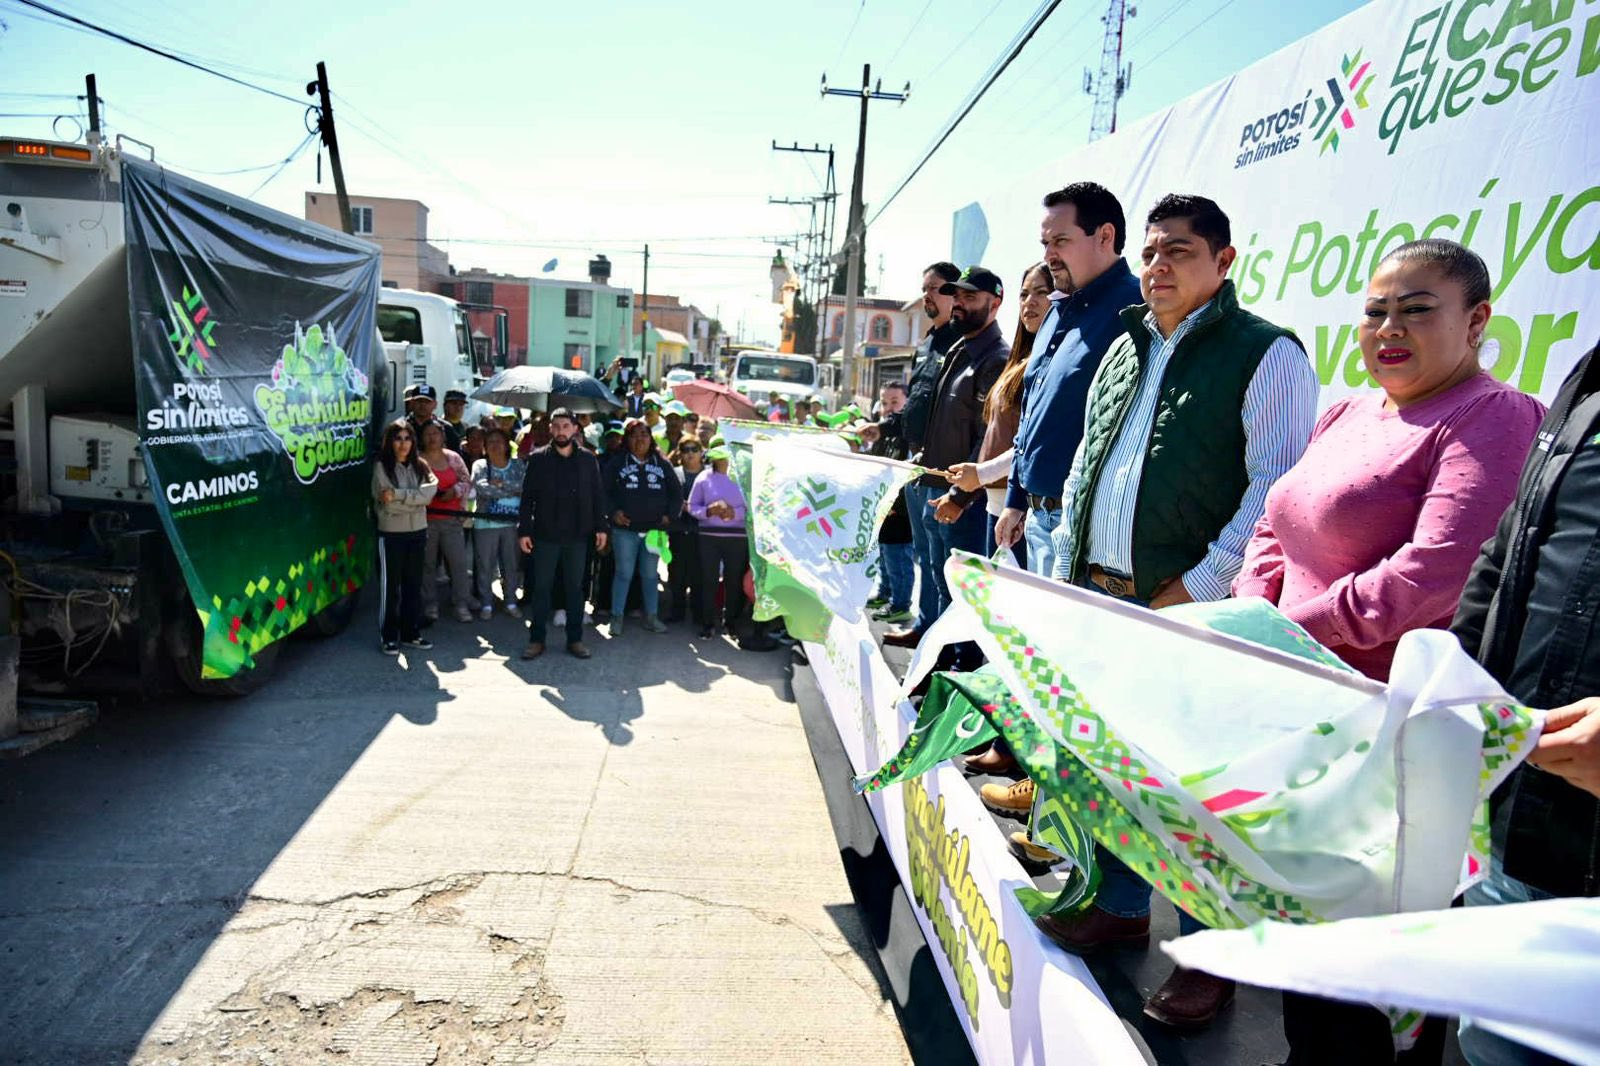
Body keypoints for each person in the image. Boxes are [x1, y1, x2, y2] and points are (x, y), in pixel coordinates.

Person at [1228, 240, 1545, 1063]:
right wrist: (1251, 618)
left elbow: (1436, 576)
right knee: (1311, 956)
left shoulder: (1492, 415)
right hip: (1303, 714)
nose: (1388, 328)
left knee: (1375, 989)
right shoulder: (1346, 412)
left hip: (1395, 738)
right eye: (1376, 311)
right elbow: (1275, 521)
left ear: (1476, 321)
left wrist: (1295, 630)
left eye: (1416, 309)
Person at [1037, 193, 1320, 1029]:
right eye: (1153, 252)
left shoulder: (1264, 352)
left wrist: (1198, 587)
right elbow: (1090, 466)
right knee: (1113, 767)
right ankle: (1120, 904)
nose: (1158, 267)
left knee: (1195, 790)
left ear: (1225, 262)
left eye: (1181, 253)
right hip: (1101, 593)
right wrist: (1065, 578)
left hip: (1191, 604)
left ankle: (1209, 955)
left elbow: (1276, 484)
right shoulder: (1127, 344)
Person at [1447, 325, 1600, 1066]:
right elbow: (1511, 548)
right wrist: (1455, 678)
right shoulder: (1590, 372)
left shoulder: (1495, 410)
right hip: (1524, 819)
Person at [995, 183, 1145, 577]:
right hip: (1037, 523)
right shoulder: (1056, 312)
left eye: (1060, 240)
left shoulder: (1139, 311)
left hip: (1091, 536)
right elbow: (1030, 417)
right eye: (1045, 242)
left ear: (1105, 236)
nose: (1048, 256)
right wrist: (1016, 497)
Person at [899, 266, 1009, 668]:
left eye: (970, 297)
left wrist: (962, 495)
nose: (960, 304)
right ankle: (936, 668)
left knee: (962, 593)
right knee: (939, 582)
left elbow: (988, 440)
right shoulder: (959, 350)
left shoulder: (995, 359)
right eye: (956, 297)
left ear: (994, 304)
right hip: (935, 486)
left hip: (965, 501)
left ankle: (958, 671)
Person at [946, 262, 1053, 568]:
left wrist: (980, 475)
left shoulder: (1043, 363)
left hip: (1022, 510)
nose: (1029, 302)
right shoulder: (1020, 360)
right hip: (997, 504)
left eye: (1041, 292)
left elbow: (1030, 443)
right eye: (1024, 294)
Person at [885, 262, 963, 647]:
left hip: (945, 473)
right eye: (925, 289)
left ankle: (945, 642)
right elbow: (917, 404)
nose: (928, 296)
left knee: (944, 560)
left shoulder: (963, 343)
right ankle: (925, 627)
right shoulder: (928, 343)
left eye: (935, 288)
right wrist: (884, 428)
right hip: (917, 467)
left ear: (955, 293)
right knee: (923, 554)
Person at [518, 408, 608, 660]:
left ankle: (575, 639)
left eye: (565, 426)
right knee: (541, 589)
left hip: (578, 536)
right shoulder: (538, 459)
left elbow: (598, 497)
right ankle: (536, 640)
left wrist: (602, 527)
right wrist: (524, 530)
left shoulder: (588, 460)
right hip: (545, 535)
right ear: (550, 429)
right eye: (556, 426)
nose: (560, 431)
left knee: (575, 589)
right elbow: (527, 499)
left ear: (575, 429)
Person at [603, 418, 681, 636]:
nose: (640, 439)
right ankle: (616, 617)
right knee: (624, 573)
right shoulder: (617, 463)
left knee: (649, 574)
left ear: (651, 438)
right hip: (625, 530)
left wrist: (670, 515)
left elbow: (676, 493)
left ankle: (652, 617)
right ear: (627, 439)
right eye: (635, 435)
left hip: (654, 531)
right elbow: (603, 491)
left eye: (644, 434)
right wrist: (613, 512)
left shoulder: (662, 463)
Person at [372, 419, 437, 654]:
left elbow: (430, 493)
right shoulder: (381, 466)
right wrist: (415, 501)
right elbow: (387, 505)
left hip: (418, 532)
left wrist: (400, 496)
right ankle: (388, 636)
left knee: (413, 585)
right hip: (391, 534)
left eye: (407, 438)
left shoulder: (421, 465)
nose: (403, 443)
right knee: (390, 588)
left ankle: (411, 633)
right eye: (398, 438)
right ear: (390, 441)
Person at [689, 446, 754, 645]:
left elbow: (753, 507)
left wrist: (735, 514)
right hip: (709, 536)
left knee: (733, 580)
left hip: (737, 537)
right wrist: (708, 512)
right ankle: (708, 623)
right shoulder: (703, 477)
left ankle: (731, 623)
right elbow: (692, 506)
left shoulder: (744, 477)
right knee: (708, 580)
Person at [418, 421, 475, 623]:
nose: (432, 437)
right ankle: (430, 604)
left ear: (443, 436)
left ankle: (461, 603)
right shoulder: (417, 459)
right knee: (427, 565)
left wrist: (454, 492)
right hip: (424, 521)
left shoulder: (453, 457)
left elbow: (467, 481)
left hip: (451, 520)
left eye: (435, 433)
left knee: (458, 564)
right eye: (427, 434)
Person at [867, 381, 914, 625]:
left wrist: (896, 503)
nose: (888, 408)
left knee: (899, 558)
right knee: (884, 553)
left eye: (895, 402)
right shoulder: (883, 431)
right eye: (885, 403)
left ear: (908, 402)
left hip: (901, 509)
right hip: (883, 506)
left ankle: (901, 604)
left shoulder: (908, 433)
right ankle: (884, 592)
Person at [470, 427, 526, 621]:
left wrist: (500, 484)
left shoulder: (518, 464)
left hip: (512, 524)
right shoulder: (480, 465)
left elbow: (524, 487)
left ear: (507, 444)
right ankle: (486, 603)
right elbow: (482, 489)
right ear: (485, 446)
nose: (495, 445)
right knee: (485, 565)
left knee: (511, 564)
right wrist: (511, 490)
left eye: (499, 441)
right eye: (490, 441)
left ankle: (510, 601)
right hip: (486, 524)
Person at [668, 435, 705, 624]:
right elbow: (666, 498)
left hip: (702, 532)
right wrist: (678, 506)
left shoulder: (709, 474)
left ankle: (699, 613)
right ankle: (677, 611)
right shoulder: (674, 473)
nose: (690, 454)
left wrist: (696, 508)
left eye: (694, 449)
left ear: (701, 452)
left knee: (699, 574)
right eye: (685, 450)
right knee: (677, 573)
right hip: (678, 530)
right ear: (680, 453)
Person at [405, 383, 461, 454]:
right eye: (419, 401)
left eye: (427, 401)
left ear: (435, 404)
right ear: (412, 402)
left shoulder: (446, 428)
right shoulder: (402, 427)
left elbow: (456, 456)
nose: (423, 405)